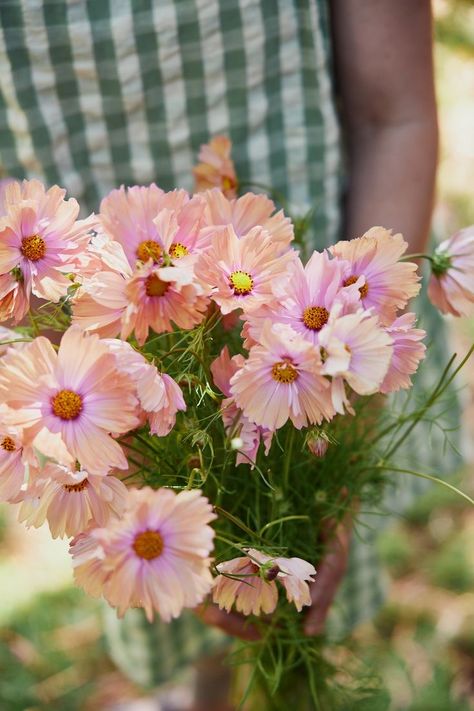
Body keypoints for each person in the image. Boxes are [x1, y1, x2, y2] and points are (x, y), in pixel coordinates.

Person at [0, 1, 461, 708]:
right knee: (189, 605)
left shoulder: (297, 310)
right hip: (75, 305)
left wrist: (343, 426)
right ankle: (203, 689)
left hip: (305, 292)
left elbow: (393, 114)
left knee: (296, 586)